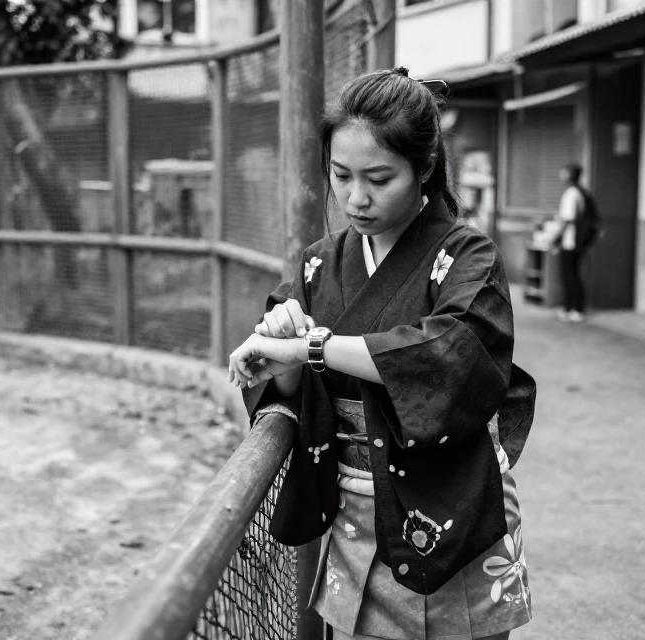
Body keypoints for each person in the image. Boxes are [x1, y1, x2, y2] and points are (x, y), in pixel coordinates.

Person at [226, 67, 537, 640]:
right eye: (341, 175)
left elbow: (449, 355)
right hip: (356, 513)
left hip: (455, 506)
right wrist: (286, 364)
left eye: (379, 178)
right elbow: (298, 391)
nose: (355, 197)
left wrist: (312, 346)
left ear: (424, 169)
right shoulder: (319, 264)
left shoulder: (468, 256)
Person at [554, 163, 591, 323]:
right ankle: (570, 307)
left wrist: (555, 237)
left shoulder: (571, 194)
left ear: (569, 175)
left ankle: (575, 308)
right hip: (575, 241)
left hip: (571, 241)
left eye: (564, 172)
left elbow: (567, 219)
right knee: (571, 274)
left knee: (570, 275)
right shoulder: (579, 192)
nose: (561, 175)